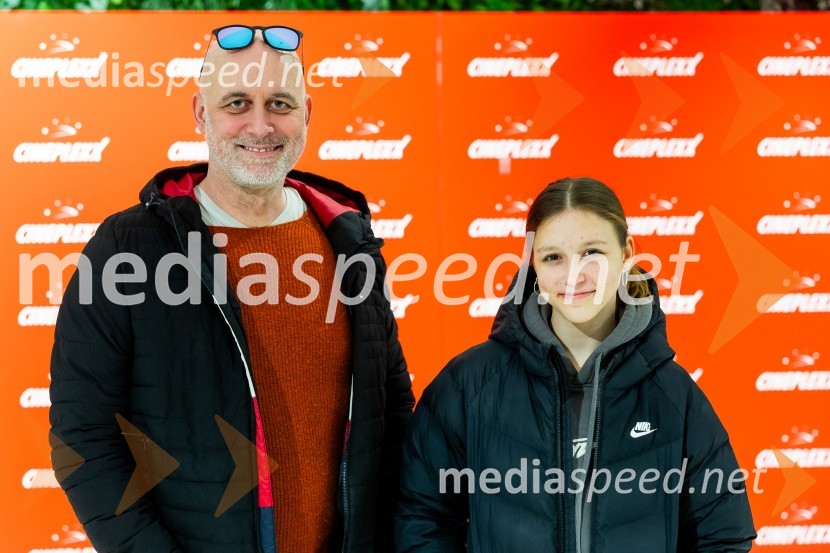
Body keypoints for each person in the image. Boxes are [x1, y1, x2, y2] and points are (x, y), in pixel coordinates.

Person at [50, 24, 414, 553]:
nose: (261, 125)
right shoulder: (126, 248)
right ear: (201, 113)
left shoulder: (349, 239)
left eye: (281, 103)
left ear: (307, 113)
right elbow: (82, 439)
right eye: (237, 102)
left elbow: (392, 413)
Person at [396, 177, 756, 552]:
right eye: (554, 257)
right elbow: (423, 519)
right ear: (533, 263)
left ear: (627, 251)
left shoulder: (673, 395)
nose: (574, 275)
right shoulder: (467, 385)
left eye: (592, 252)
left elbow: (723, 534)